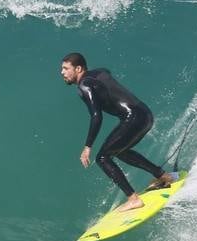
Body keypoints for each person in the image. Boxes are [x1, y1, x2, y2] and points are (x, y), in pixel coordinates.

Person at [60, 52, 178, 212]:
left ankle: (133, 199)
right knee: (119, 151)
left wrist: (87, 147)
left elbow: (96, 116)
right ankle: (163, 176)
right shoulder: (99, 72)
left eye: (66, 68)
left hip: (133, 118)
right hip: (144, 114)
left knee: (102, 158)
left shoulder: (84, 86)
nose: (62, 72)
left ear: (78, 69)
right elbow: (106, 72)